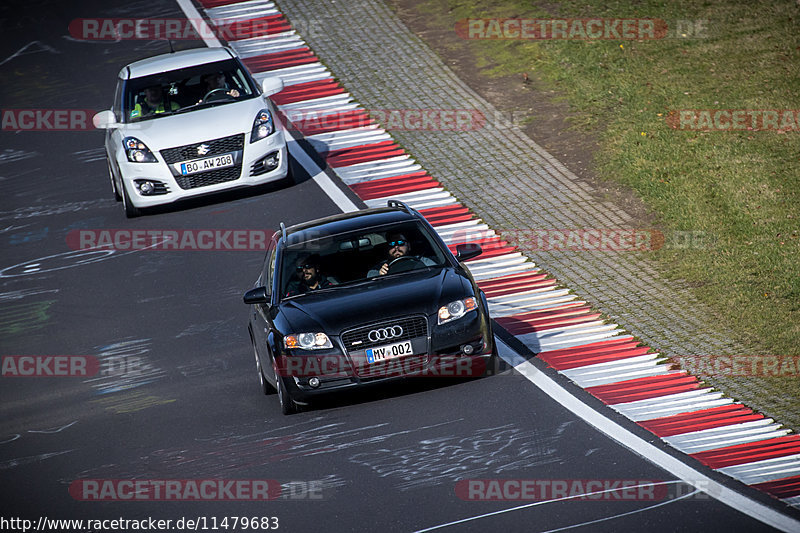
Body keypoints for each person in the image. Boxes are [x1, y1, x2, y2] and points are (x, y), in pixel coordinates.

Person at [368, 232, 435, 277]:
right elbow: (370, 278)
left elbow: (437, 272)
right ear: (388, 249)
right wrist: (380, 275)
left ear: (408, 246)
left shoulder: (422, 261)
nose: (396, 247)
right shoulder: (381, 267)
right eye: (392, 244)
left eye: (400, 242)